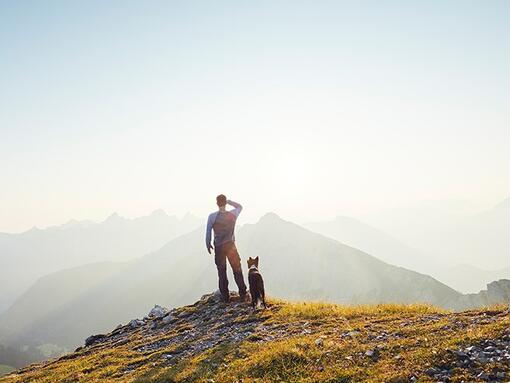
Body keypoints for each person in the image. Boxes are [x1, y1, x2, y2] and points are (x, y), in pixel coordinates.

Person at [205, 195, 247, 303]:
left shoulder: (212, 217)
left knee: (222, 272)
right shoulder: (233, 214)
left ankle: (225, 297)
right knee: (237, 270)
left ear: (217, 203)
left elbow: (208, 231)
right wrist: (229, 201)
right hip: (230, 246)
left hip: (219, 247)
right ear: (225, 203)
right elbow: (240, 207)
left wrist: (208, 244)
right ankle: (243, 294)